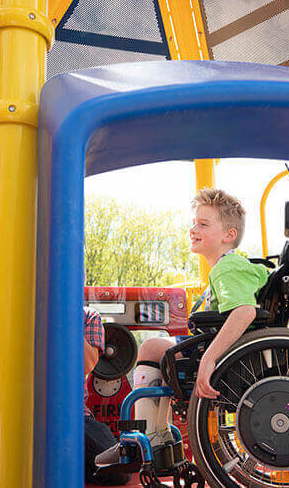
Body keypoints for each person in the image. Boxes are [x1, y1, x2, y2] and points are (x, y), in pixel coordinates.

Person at [95, 188, 268, 466]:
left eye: (203, 224)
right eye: (193, 223)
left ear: (228, 235)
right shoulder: (228, 269)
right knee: (163, 354)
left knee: (151, 346)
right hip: (224, 352)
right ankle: (156, 436)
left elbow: (245, 311)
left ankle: (149, 437)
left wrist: (209, 358)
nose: (193, 229)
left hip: (225, 358)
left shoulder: (228, 267)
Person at [82, 306, 130, 485]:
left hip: (74, 416)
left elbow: (87, 364)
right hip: (26, 413)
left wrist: (64, 318)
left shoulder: (88, 316)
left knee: (119, 469)